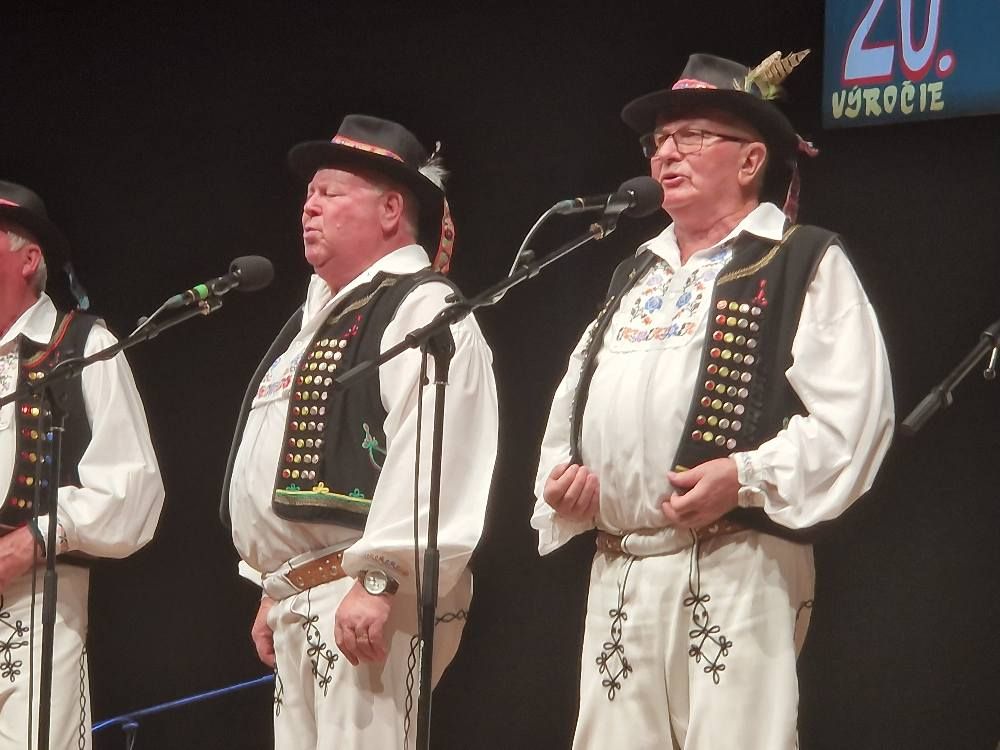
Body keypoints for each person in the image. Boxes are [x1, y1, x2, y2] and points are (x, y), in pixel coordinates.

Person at [532, 53, 895, 749]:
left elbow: (853, 419)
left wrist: (744, 475)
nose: (666, 153)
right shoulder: (635, 273)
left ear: (751, 159)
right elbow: (573, 399)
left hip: (737, 561)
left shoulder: (799, 259)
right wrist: (561, 485)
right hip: (619, 567)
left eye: (692, 136)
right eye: (659, 141)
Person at [222, 114, 498, 748]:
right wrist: (272, 587)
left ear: (391, 210)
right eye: (308, 194)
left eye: (330, 192)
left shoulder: (422, 306)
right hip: (305, 595)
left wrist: (382, 576)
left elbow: (435, 451)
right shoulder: (314, 320)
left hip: (367, 590)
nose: (309, 206)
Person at [0, 180, 164, 749]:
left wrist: (35, 539)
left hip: (37, 598)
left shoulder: (83, 346)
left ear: (28, 259)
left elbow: (133, 488)